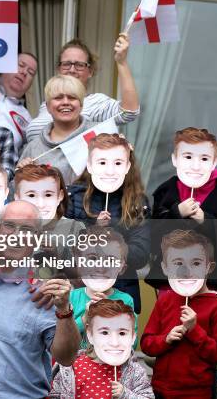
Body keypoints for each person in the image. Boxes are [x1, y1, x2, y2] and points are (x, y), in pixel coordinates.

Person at [0, 201, 80, 398]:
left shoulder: (46, 289)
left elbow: (66, 357)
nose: (16, 236)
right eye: (10, 226)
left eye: (26, 229)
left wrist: (64, 310)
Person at [141, 229, 217, 399]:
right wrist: (165, 339)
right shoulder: (165, 301)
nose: (187, 271)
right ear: (166, 269)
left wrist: (195, 330)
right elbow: (146, 343)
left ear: (209, 267)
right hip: (162, 389)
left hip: (198, 392)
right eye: (178, 263)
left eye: (196, 263)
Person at [66, 133, 150, 312]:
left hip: (123, 292)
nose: (109, 170)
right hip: (80, 291)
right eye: (102, 162)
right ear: (90, 165)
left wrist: (112, 234)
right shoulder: (73, 197)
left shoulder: (138, 202)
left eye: (118, 163)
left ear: (127, 166)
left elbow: (141, 254)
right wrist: (92, 229)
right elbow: (64, 245)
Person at [25, 36, 140, 141]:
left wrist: (121, 62)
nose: (72, 70)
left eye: (79, 65)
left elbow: (129, 112)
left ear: (90, 72)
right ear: (59, 69)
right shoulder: (46, 104)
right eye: (66, 64)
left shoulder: (96, 102)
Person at [50, 299, 153, 398]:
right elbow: (55, 395)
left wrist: (125, 394)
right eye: (104, 332)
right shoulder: (72, 367)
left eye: (122, 333)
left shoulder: (135, 371)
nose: (114, 342)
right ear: (90, 334)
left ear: (132, 337)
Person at [18, 74, 100, 185]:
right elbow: (18, 189)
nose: (65, 102)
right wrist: (22, 173)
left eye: (72, 97)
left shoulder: (99, 134)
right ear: (47, 106)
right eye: (58, 98)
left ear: (81, 105)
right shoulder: (34, 148)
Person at [69, 227, 137, 342]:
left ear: (122, 267)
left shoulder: (125, 300)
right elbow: (65, 338)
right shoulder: (72, 297)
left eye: (110, 261)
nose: (100, 267)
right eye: (92, 259)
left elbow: (131, 342)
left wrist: (110, 312)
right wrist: (85, 318)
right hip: (76, 359)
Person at [153, 127, 217, 220]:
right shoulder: (163, 192)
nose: (196, 167)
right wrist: (177, 213)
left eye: (204, 159)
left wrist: (205, 220)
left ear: (214, 163)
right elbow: (154, 231)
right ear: (174, 159)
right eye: (188, 157)